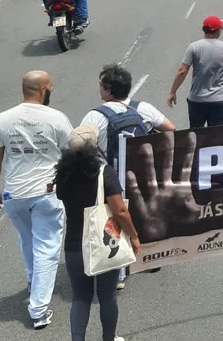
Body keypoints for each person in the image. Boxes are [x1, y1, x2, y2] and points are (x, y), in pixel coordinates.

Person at [0, 70, 72, 329]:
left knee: (28, 241)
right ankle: (39, 309)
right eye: (50, 87)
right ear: (43, 90)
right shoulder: (56, 118)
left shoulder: (3, 119)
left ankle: (35, 282)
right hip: (47, 193)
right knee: (47, 248)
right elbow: (71, 154)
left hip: (14, 194)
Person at [56, 125, 141, 341]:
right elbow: (120, 210)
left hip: (75, 246)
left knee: (81, 298)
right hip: (105, 244)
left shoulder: (64, 175)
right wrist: (134, 235)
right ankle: (109, 338)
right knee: (107, 296)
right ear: (94, 148)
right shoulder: (104, 174)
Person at [80, 63, 174, 172]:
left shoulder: (94, 117)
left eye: (100, 84)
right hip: (143, 172)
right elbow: (171, 128)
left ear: (108, 91)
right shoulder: (144, 108)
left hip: (112, 178)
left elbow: (80, 147)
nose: (99, 88)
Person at [168, 16, 223, 127]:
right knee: (216, 136)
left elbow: (182, 71)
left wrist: (172, 92)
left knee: (196, 134)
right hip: (218, 100)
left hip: (197, 100)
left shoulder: (194, 47)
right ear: (218, 31)